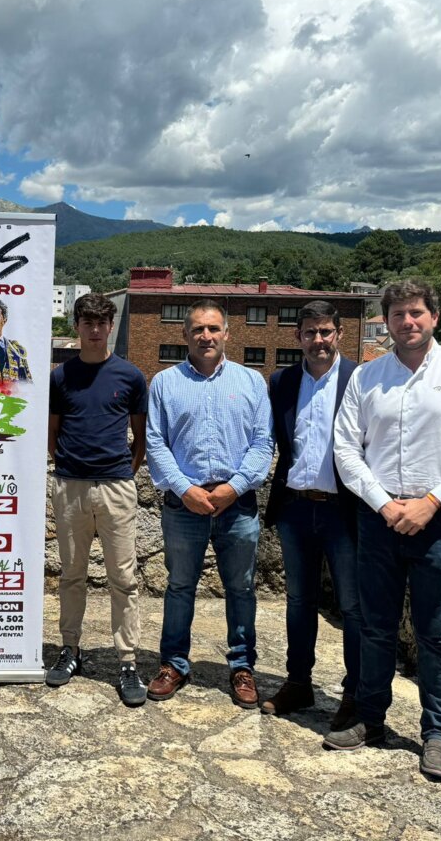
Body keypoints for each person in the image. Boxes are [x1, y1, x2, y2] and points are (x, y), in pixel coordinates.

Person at [327, 279, 441, 782]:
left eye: (416, 313)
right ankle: (371, 720)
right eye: (398, 314)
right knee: (375, 627)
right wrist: (385, 505)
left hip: (440, 520)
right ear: (386, 321)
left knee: (436, 635)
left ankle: (437, 736)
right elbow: (346, 450)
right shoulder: (367, 377)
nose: (407, 322)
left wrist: (429, 502)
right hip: (378, 520)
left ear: (434, 317)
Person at [145, 299, 273, 708]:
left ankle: (241, 666)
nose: (206, 336)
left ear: (227, 334)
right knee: (180, 587)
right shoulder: (164, 383)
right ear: (185, 335)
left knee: (241, 588)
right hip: (184, 505)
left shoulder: (253, 382)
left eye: (213, 328)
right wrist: (186, 489)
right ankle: (174, 664)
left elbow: (262, 443)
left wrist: (233, 487)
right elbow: (155, 443)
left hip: (237, 504)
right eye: (198, 329)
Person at [261, 301, 360, 727]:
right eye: (309, 333)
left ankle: (356, 694)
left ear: (339, 332)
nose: (317, 341)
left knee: (353, 606)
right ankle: (298, 683)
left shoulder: (360, 378)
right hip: (295, 508)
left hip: (345, 512)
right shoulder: (281, 381)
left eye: (325, 332)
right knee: (299, 602)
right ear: (297, 337)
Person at [46, 293, 148, 705]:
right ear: (77, 326)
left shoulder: (131, 376)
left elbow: (140, 439)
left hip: (116, 487)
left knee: (123, 578)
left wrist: (122, 473)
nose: (93, 329)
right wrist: (71, 468)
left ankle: (127, 660)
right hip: (70, 485)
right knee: (71, 575)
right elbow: (52, 436)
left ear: (110, 326)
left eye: (101, 322)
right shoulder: (61, 377)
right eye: (86, 322)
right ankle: (70, 649)